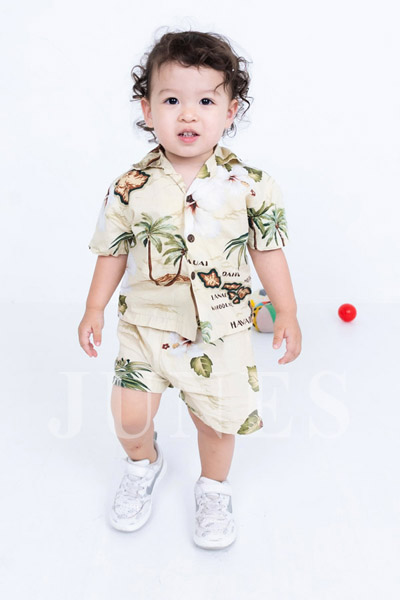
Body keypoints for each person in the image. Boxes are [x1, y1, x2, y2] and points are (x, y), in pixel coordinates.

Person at [78, 29, 302, 550]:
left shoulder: (252, 184)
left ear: (230, 111)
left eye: (205, 101)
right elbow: (112, 250)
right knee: (129, 415)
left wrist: (287, 311)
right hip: (146, 325)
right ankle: (142, 464)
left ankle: (213, 488)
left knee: (217, 425)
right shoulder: (128, 186)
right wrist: (94, 307)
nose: (188, 114)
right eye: (171, 100)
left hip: (220, 330)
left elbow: (267, 250)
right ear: (147, 109)